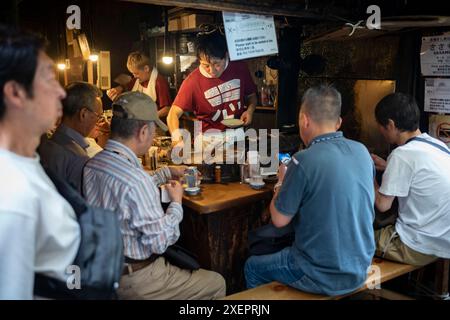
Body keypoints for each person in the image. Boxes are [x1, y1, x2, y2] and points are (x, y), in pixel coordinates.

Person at [83, 91, 226, 300]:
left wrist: (166, 172)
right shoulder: (136, 180)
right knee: (216, 283)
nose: (152, 138)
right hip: (138, 279)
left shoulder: (94, 164)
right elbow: (160, 242)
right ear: (142, 132)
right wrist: (176, 203)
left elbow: (126, 194)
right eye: (152, 132)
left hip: (105, 268)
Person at [244, 85, 376, 296]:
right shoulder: (362, 151)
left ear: (304, 120)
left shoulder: (303, 160)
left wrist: (281, 182)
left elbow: (279, 220)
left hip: (319, 273)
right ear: (338, 122)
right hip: (361, 267)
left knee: (252, 266)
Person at [0, 25, 80, 299]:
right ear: (16, 93)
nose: (61, 92)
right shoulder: (11, 196)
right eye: (49, 78)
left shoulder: (27, 160)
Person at [371, 93, 450, 265]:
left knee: (352, 238)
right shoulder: (437, 145)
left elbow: (383, 205)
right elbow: (419, 174)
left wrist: (368, 174)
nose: (380, 131)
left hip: (417, 245)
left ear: (390, 124)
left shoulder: (402, 155)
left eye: (380, 126)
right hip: (444, 240)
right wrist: (388, 166)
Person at [167, 29, 257, 146]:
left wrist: (250, 111)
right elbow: (172, 114)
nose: (212, 71)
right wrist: (177, 139)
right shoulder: (192, 81)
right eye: (206, 65)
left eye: (216, 64)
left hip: (237, 137)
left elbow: (252, 97)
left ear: (225, 56)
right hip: (207, 141)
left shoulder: (240, 68)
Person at [38, 81, 104, 193]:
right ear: (84, 114)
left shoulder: (47, 143)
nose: (98, 122)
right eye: (98, 116)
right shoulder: (77, 157)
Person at [106, 51, 172, 119]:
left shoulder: (159, 82)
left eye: (136, 73)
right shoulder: (138, 80)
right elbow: (126, 87)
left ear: (146, 68)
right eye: (133, 74)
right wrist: (118, 89)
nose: (134, 76)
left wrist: (148, 117)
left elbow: (167, 109)